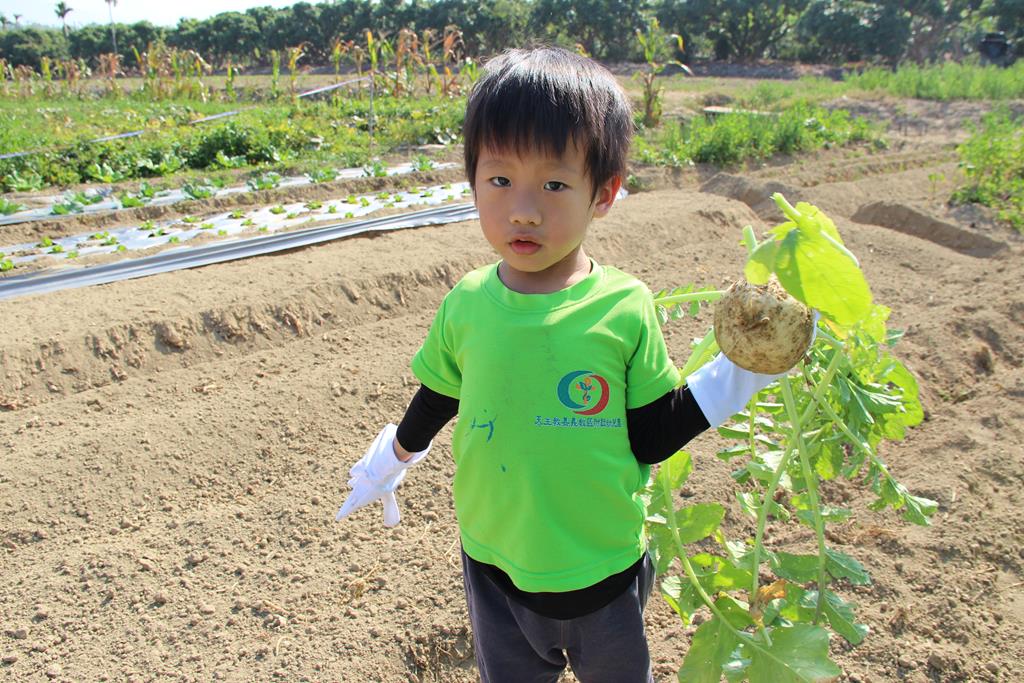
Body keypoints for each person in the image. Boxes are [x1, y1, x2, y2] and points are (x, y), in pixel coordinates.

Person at [336, 46, 794, 683]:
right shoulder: (467, 303)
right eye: (500, 180)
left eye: (553, 185)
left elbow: (651, 436)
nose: (523, 209)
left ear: (603, 193)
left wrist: (742, 371)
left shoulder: (623, 306)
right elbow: (441, 395)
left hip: (602, 576)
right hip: (493, 566)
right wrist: (391, 459)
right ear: (472, 181)